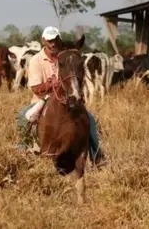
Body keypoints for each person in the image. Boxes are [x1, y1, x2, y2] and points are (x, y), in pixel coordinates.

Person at [16, 26, 105, 164]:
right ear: (43, 41)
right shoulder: (36, 60)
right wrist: (53, 84)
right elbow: (35, 88)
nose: (53, 44)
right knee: (23, 115)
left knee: (90, 118)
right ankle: (22, 150)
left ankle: (97, 155)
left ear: (59, 40)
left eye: (55, 40)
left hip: (67, 98)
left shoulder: (66, 55)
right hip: (42, 99)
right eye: (50, 40)